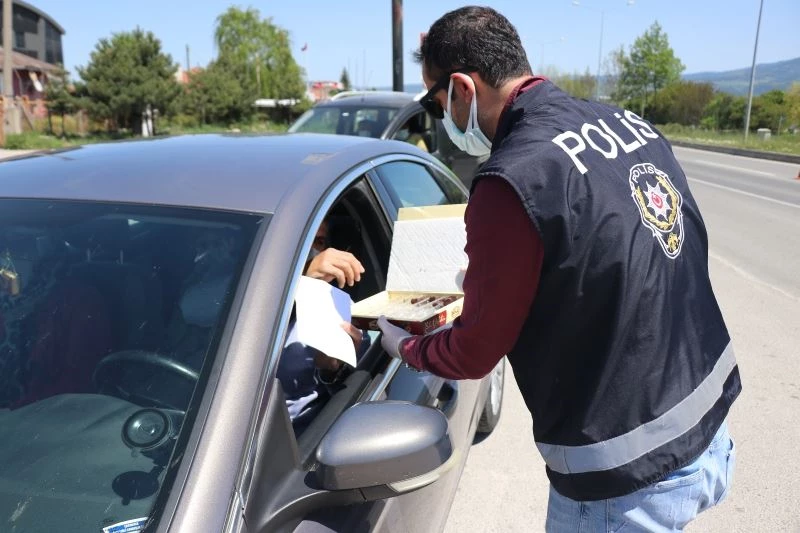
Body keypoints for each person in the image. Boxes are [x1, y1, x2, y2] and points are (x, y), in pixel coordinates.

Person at [377, 7, 740, 532]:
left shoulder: (512, 178)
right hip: (706, 425)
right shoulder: (626, 122)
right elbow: (664, 243)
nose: (442, 120)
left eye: (437, 104)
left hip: (624, 475)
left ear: (462, 88)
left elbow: (475, 351)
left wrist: (406, 347)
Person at [278, 218, 368, 427]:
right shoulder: (229, 291)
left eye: (318, 241)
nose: (308, 250)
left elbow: (354, 397)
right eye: (298, 240)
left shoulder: (339, 309)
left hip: (294, 436)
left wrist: (330, 371)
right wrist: (298, 279)